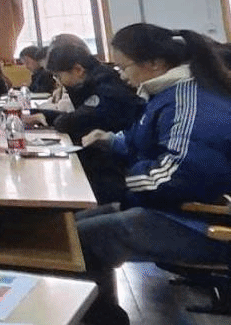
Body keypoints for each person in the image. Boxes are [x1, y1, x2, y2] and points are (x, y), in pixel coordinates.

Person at [75, 24, 231, 325]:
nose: (121, 75)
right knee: (70, 228)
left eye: (124, 67)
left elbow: (178, 173)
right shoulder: (168, 95)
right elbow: (144, 142)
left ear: (155, 63)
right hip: (177, 208)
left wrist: (124, 179)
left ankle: (104, 319)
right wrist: (111, 141)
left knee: (82, 239)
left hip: (203, 222)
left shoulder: (191, 100)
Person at [23, 41, 145, 203]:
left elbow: (78, 120)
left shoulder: (107, 86)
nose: (58, 82)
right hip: (113, 157)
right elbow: (80, 115)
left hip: (119, 164)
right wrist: (43, 115)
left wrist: (51, 118)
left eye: (59, 76)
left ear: (78, 70)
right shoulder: (95, 80)